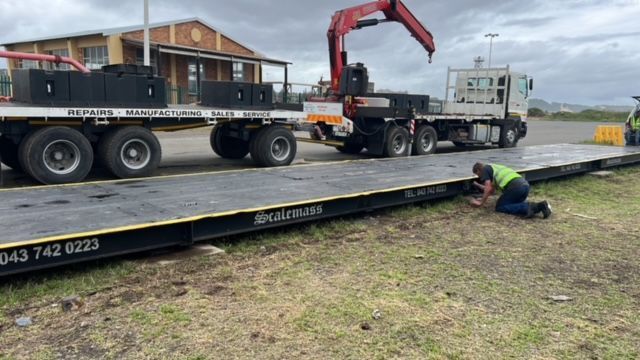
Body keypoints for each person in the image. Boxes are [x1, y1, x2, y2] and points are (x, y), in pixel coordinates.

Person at [470, 162, 552, 219]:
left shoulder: (485, 169)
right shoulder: (494, 168)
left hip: (515, 187)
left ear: (478, 170)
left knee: (500, 207)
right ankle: (541, 206)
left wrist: (481, 203)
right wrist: (477, 185)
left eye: (478, 175)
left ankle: (529, 207)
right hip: (525, 186)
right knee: (512, 204)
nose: (480, 177)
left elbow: (487, 187)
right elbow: (491, 190)